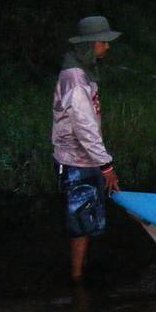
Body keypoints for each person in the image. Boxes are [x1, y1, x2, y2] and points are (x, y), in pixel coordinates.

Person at [52, 16, 122, 283]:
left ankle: (81, 273)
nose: (107, 47)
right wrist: (107, 166)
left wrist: (101, 163)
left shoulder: (84, 71)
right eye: (104, 42)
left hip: (86, 159)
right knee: (79, 224)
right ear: (91, 44)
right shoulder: (75, 79)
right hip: (76, 162)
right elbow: (84, 127)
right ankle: (77, 279)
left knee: (86, 220)